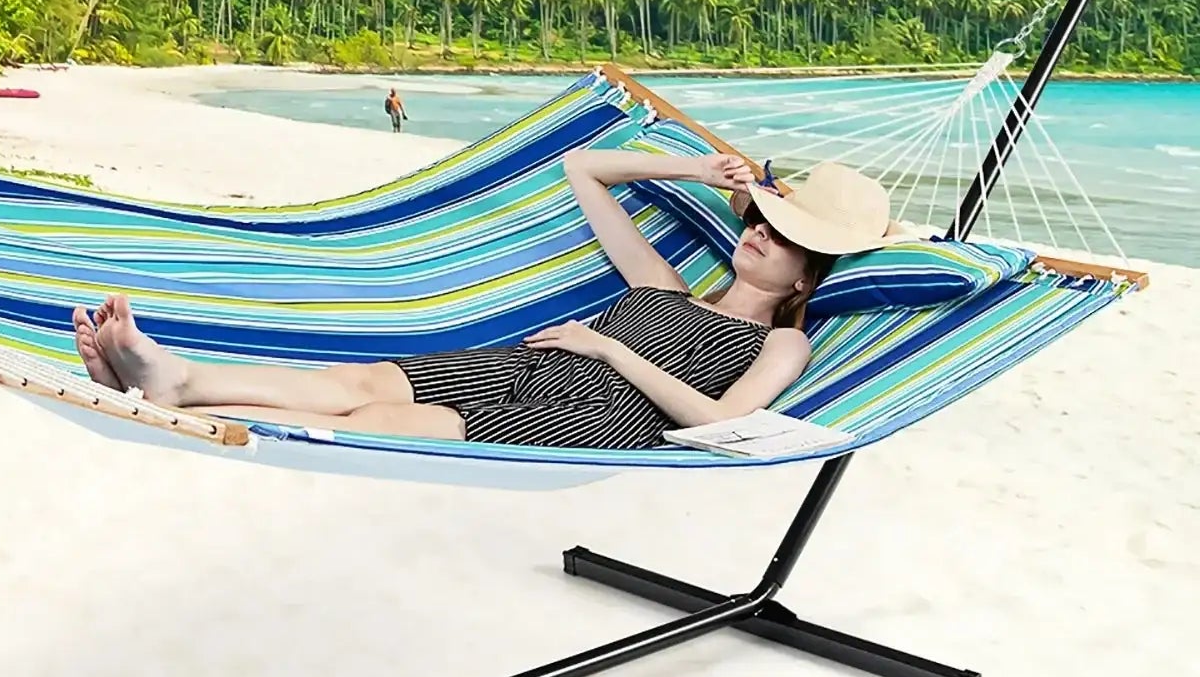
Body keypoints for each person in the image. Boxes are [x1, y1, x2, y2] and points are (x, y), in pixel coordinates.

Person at [71, 148, 893, 449]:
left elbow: (719, 422)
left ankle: (179, 408)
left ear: (806, 278)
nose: (759, 233)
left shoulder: (782, 342)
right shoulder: (664, 285)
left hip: (595, 416)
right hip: (523, 364)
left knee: (377, 422)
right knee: (358, 382)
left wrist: (610, 348)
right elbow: (582, 169)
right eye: (759, 220)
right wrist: (694, 169)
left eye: (784, 237)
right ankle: (178, 380)